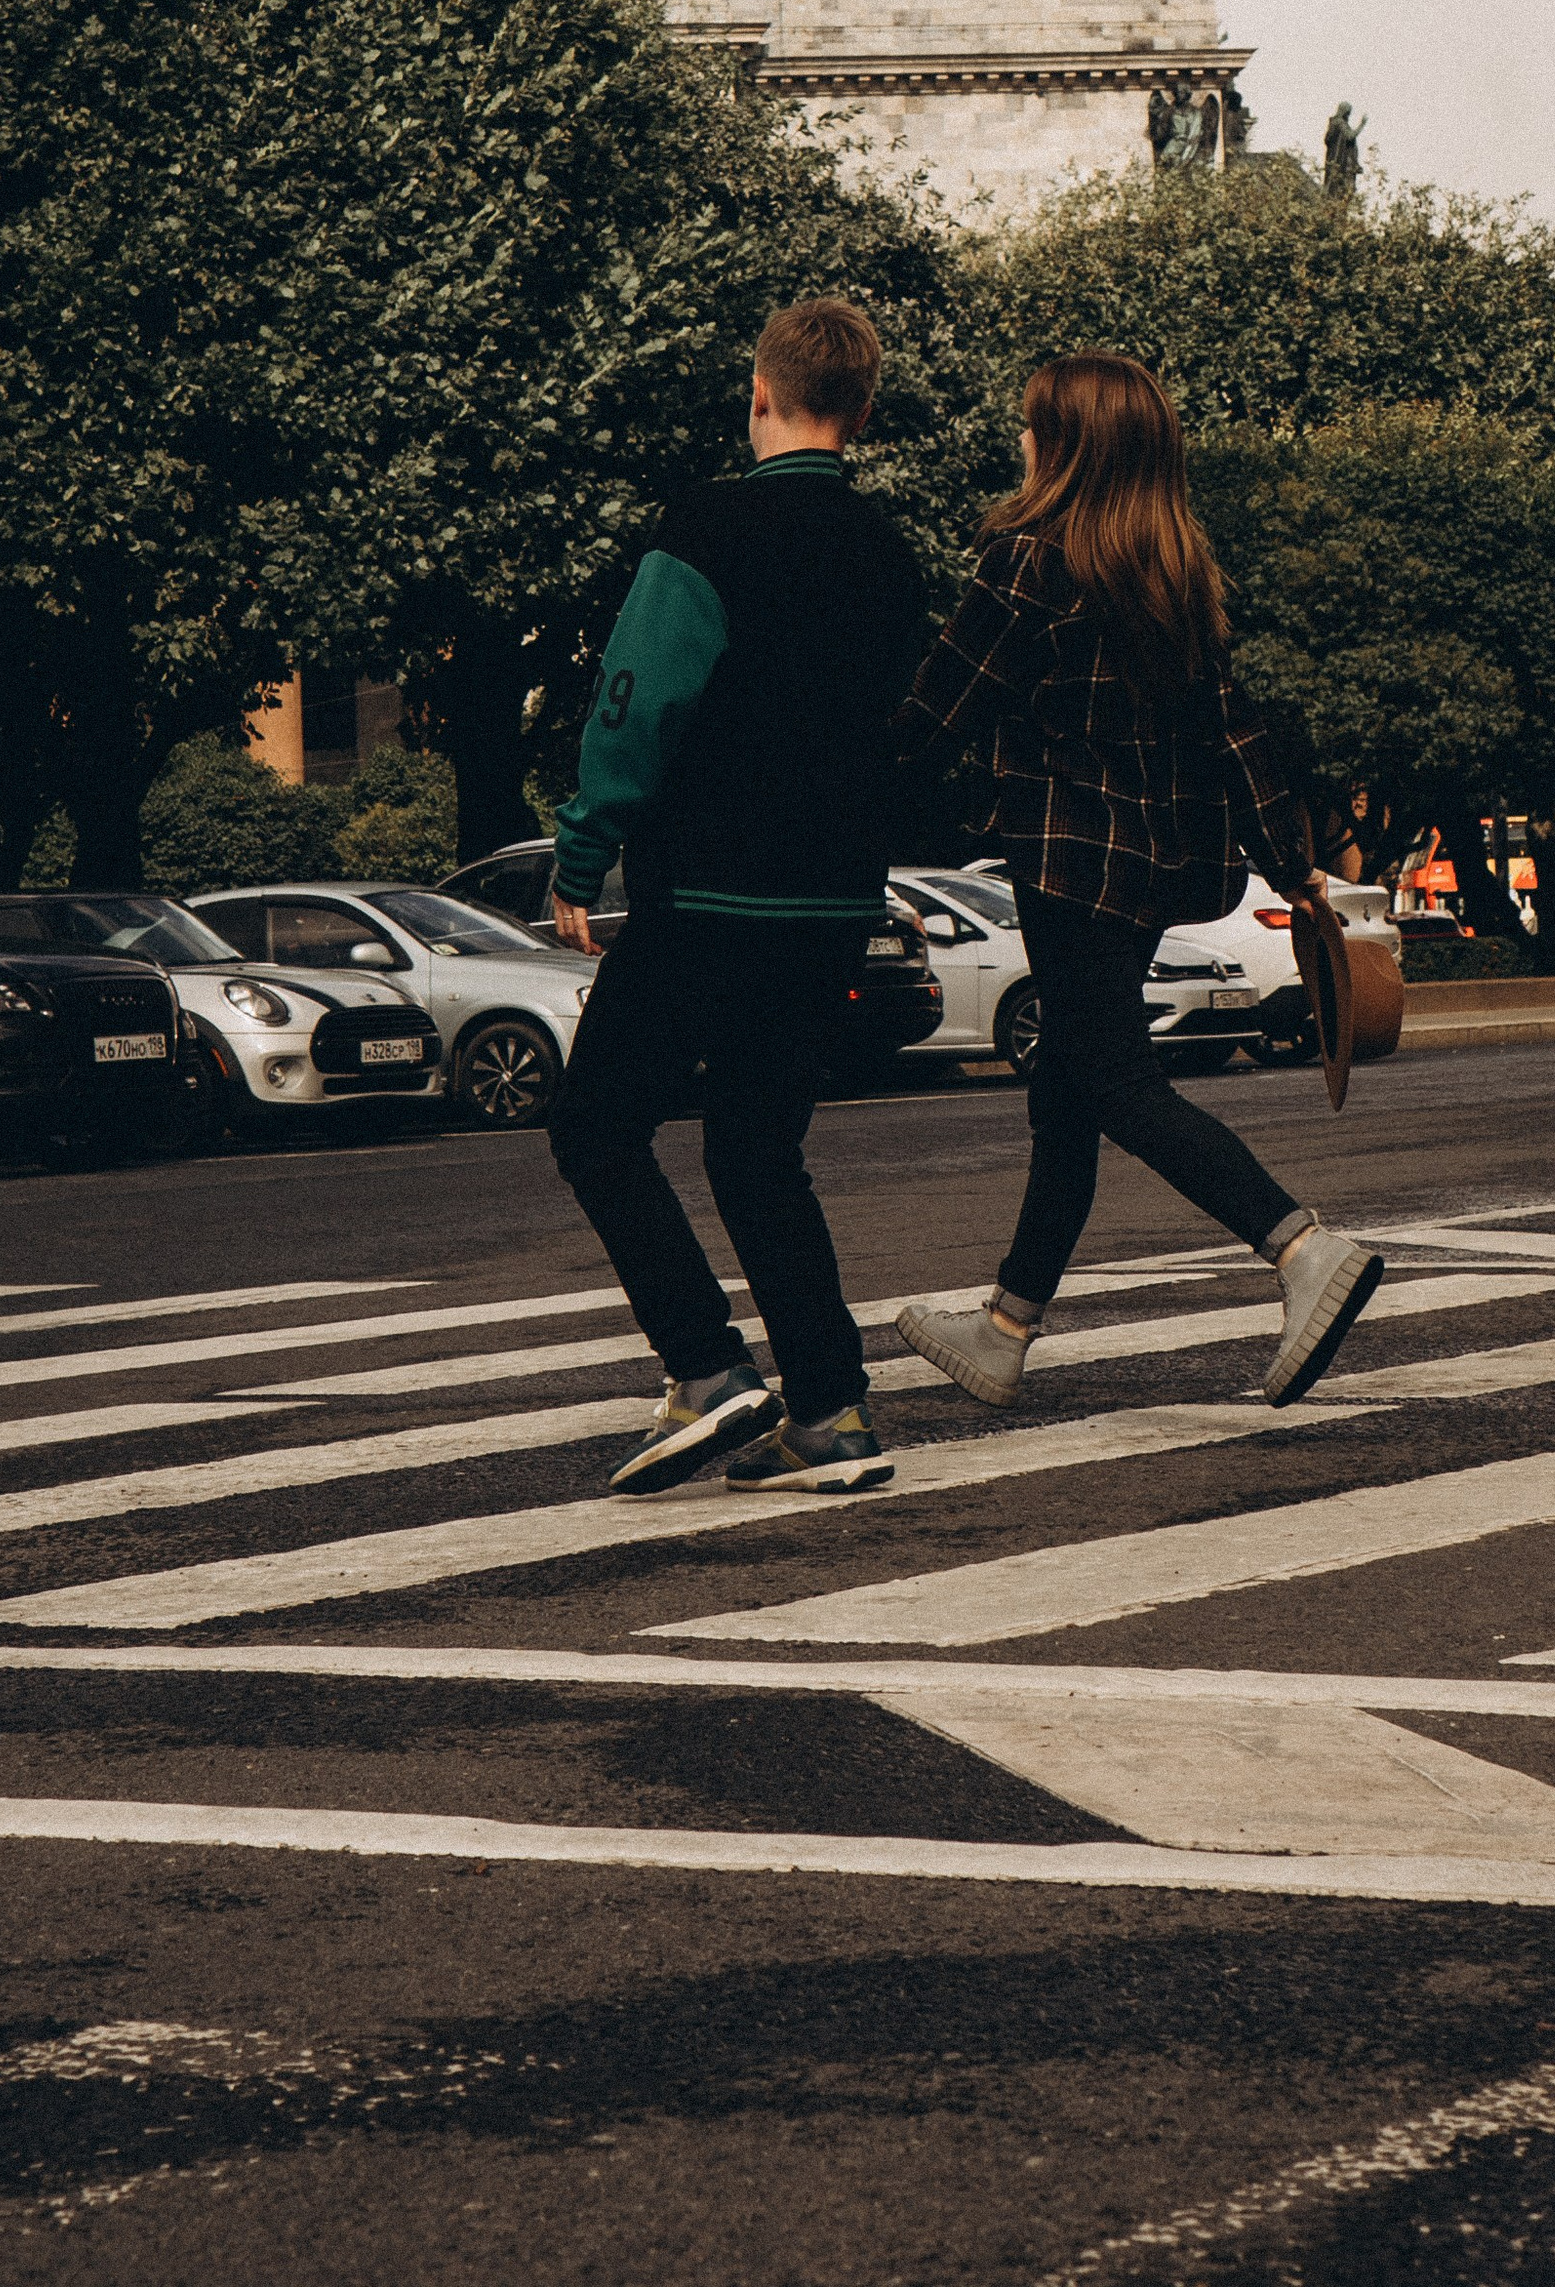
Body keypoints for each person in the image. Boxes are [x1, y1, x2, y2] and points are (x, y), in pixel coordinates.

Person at [891, 351, 1385, 1411]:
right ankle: (1006, 1327)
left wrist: (799, 801)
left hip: (1069, 862)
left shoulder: (1028, 562)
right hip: (1155, 872)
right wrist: (1289, 858)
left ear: (1067, 449)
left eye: (1032, 427)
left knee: (1112, 1082)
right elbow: (1233, 731)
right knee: (1066, 1091)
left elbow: (932, 717)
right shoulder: (1174, 575)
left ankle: (1299, 1246)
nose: (1019, 443)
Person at [546, 298, 929, 1496]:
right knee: (761, 1150)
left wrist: (581, 852)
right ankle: (830, 1409)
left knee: (596, 1127)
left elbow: (635, 701)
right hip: (830, 905)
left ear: (756, 393)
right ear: (861, 414)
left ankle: (706, 1371)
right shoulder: (888, 550)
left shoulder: (706, 527)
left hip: (706, 893)